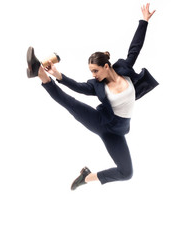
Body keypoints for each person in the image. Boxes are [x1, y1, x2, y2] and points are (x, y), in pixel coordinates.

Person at [26, 3, 158, 190]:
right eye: (91, 71)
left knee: (127, 173)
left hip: (119, 131)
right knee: (69, 103)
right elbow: (79, 87)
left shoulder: (124, 70)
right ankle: (39, 72)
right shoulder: (97, 85)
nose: (93, 75)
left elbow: (135, 47)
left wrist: (144, 21)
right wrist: (58, 76)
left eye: (95, 70)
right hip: (101, 122)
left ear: (106, 66)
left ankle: (86, 178)